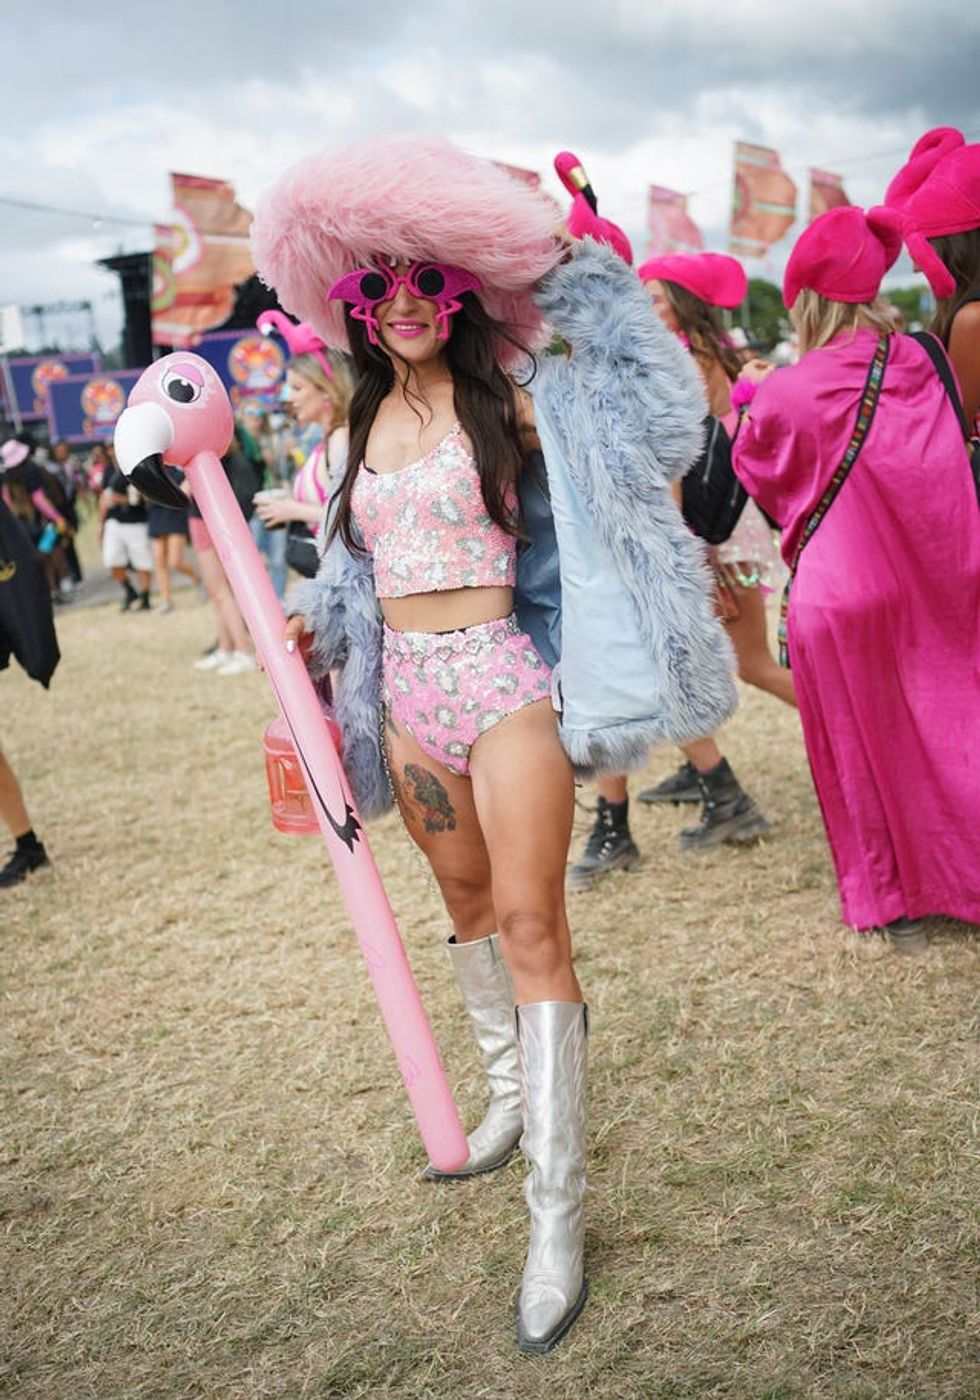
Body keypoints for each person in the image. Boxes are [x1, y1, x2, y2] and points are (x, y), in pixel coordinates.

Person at [252, 134, 735, 1354]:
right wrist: (315, 649)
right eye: (378, 285)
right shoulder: (349, 428)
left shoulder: (510, 396)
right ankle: (510, 1098)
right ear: (351, 307)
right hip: (405, 697)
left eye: (426, 280)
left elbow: (662, 428)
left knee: (532, 924)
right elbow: (346, 576)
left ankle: (555, 1220)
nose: (403, 301)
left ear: (457, 291)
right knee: (464, 907)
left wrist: (572, 269)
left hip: (503, 683)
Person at [731, 204, 980, 953]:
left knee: (856, 752)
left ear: (805, 298)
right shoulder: (924, 358)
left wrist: (750, 401)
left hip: (835, 591)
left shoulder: (785, 389)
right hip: (926, 576)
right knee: (945, 727)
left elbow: (764, 480)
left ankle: (888, 901)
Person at [567, 253, 777, 887]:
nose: (645, 303)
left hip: (685, 539)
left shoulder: (669, 362)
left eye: (655, 295)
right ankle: (703, 791)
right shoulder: (661, 357)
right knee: (637, 675)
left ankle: (840, 745)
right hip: (676, 540)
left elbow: (674, 466)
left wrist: (675, 558)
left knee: (736, 666)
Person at [885, 127, 980, 431]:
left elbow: (952, 431)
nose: (915, 268)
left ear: (953, 249)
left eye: (924, 246)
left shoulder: (972, 319)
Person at [252, 319, 353, 560]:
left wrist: (292, 510)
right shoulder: (326, 441)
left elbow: (355, 519)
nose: (290, 398)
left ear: (326, 389)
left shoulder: (341, 440)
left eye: (297, 389)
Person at [97, 445, 153, 611]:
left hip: (135, 521)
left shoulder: (136, 468)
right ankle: (129, 591)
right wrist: (100, 522)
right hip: (114, 521)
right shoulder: (109, 471)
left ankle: (145, 597)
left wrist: (120, 499)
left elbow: (142, 499)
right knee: (112, 559)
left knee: (142, 561)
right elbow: (104, 497)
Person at [147, 468, 200, 614]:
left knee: (175, 561)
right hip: (156, 516)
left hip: (175, 517)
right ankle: (166, 600)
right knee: (159, 560)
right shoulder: (148, 470)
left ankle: (197, 579)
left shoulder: (178, 473)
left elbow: (184, 495)